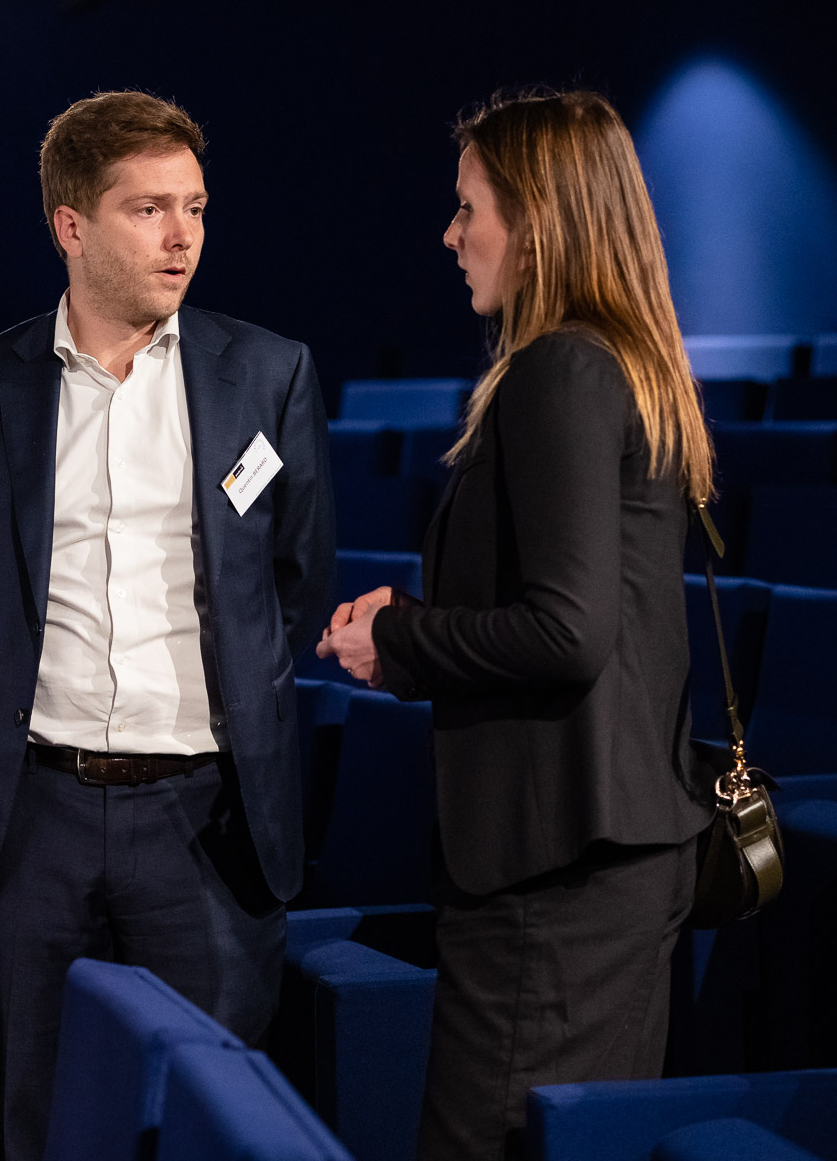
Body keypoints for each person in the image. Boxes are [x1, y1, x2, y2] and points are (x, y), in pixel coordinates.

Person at [0, 90, 335, 1161]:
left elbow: (293, 582)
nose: (181, 235)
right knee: (34, 1115)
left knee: (204, 1120)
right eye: (148, 209)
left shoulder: (269, 372)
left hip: (208, 819)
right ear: (72, 225)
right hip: (35, 816)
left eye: (194, 207)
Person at [317, 90, 717, 1161]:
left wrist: (399, 641)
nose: (451, 235)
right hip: (599, 858)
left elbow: (567, 631)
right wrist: (414, 625)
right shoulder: (614, 360)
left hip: (560, 868)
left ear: (536, 220)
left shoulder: (561, 367)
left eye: (469, 208)